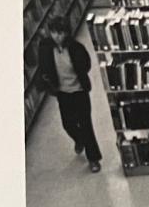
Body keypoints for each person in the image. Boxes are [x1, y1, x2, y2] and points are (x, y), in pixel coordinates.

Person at [36, 16, 102, 172]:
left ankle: (93, 159)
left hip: (79, 91)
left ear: (66, 33)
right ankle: (79, 140)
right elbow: (43, 65)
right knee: (68, 124)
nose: (57, 36)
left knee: (86, 124)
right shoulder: (45, 47)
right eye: (53, 33)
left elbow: (86, 64)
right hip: (62, 92)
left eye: (60, 33)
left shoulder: (76, 47)